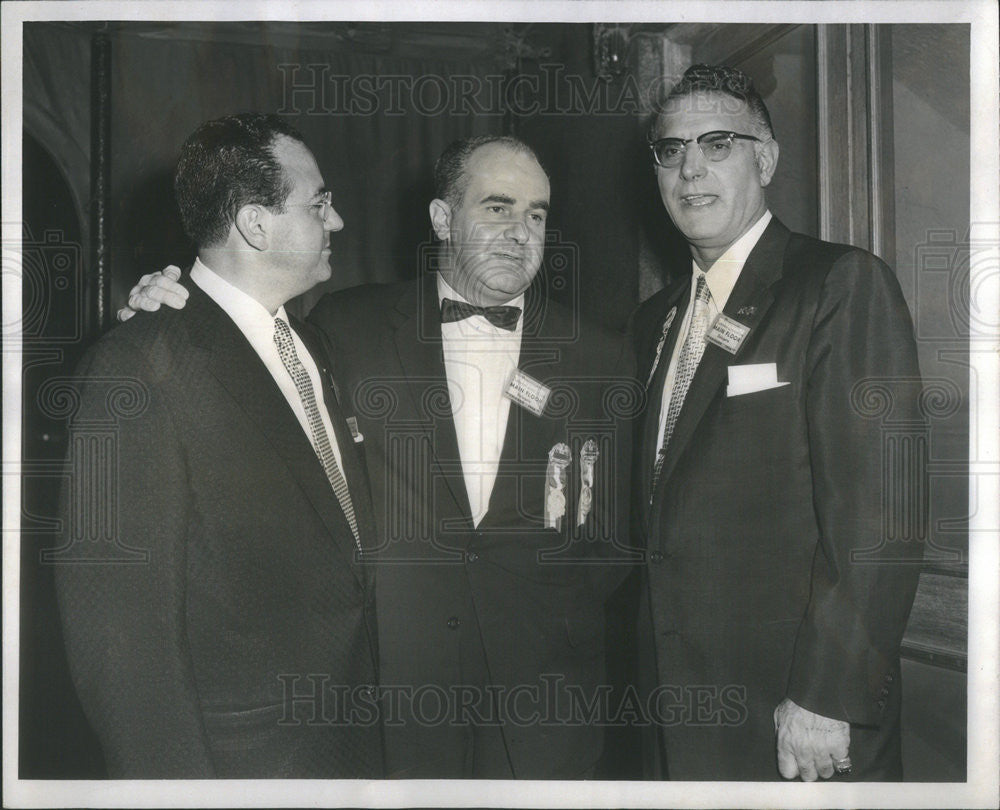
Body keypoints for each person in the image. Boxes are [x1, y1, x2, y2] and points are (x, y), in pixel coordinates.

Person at [120, 134, 639, 779]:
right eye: (497, 208)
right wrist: (167, 302)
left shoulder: (601, 355)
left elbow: (614, 545)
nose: (521, 232)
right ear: (442, 218)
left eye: (537, 214)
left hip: (545, 702)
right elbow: (245, 355)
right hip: (389, 696)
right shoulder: (345, 326)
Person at [55, 114, 382, 778]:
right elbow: (119, 643)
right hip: (239, 767)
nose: (338, 222)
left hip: (347, 753)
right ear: (257, 226)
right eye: (319, 204)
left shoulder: (313, 345)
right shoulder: (137, 366)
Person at [630, 64, 924, 781]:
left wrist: (825, 697)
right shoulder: (653, 321)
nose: (690, 169)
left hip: (796, 718)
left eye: (717, 144)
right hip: (673, 716)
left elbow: (882, 516)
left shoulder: (839, 284)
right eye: (671, 150)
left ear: (765, 159)